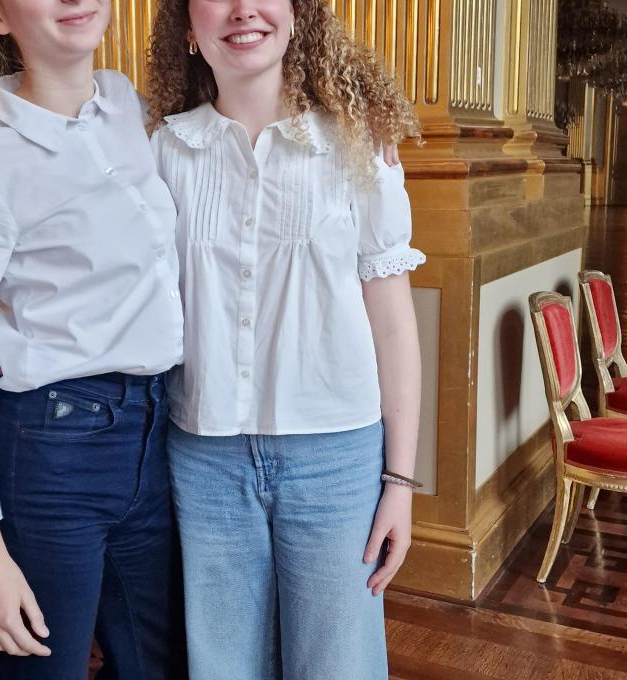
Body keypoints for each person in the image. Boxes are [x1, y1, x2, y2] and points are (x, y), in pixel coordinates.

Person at [0, 1, 186, 678]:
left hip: (159, 435)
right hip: (54, 451)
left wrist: (354, 127)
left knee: (158, 667)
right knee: (40, 670)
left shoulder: (132, 108)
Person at [147, 0, 425, 678]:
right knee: (222, 666)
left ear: (299, 15)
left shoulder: (357, 145)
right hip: (204, 459)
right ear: (187, 26)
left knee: (339, 666)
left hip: (336, 459)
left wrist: (399, 482)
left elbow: (393, 322)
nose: (243, 9)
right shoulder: (162, 151)